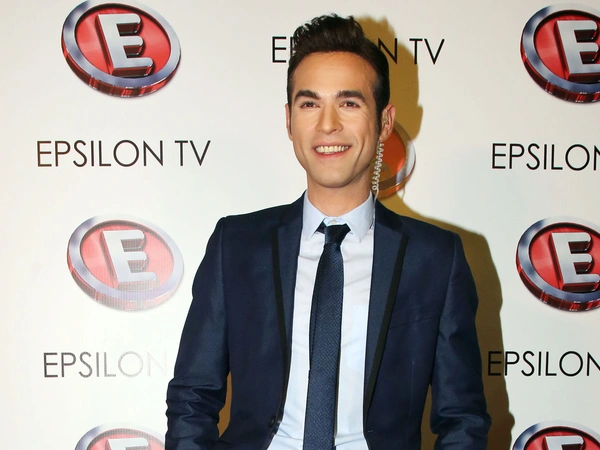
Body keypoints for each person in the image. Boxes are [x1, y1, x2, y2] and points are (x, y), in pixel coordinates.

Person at [166, 14, 490, 450]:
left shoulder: (435, 258)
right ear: (288, 120)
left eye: (349, 103)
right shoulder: (237, 245)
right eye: (309, 104)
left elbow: (462, 418)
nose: (327, 124)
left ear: (385, 120)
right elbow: (192, 398)